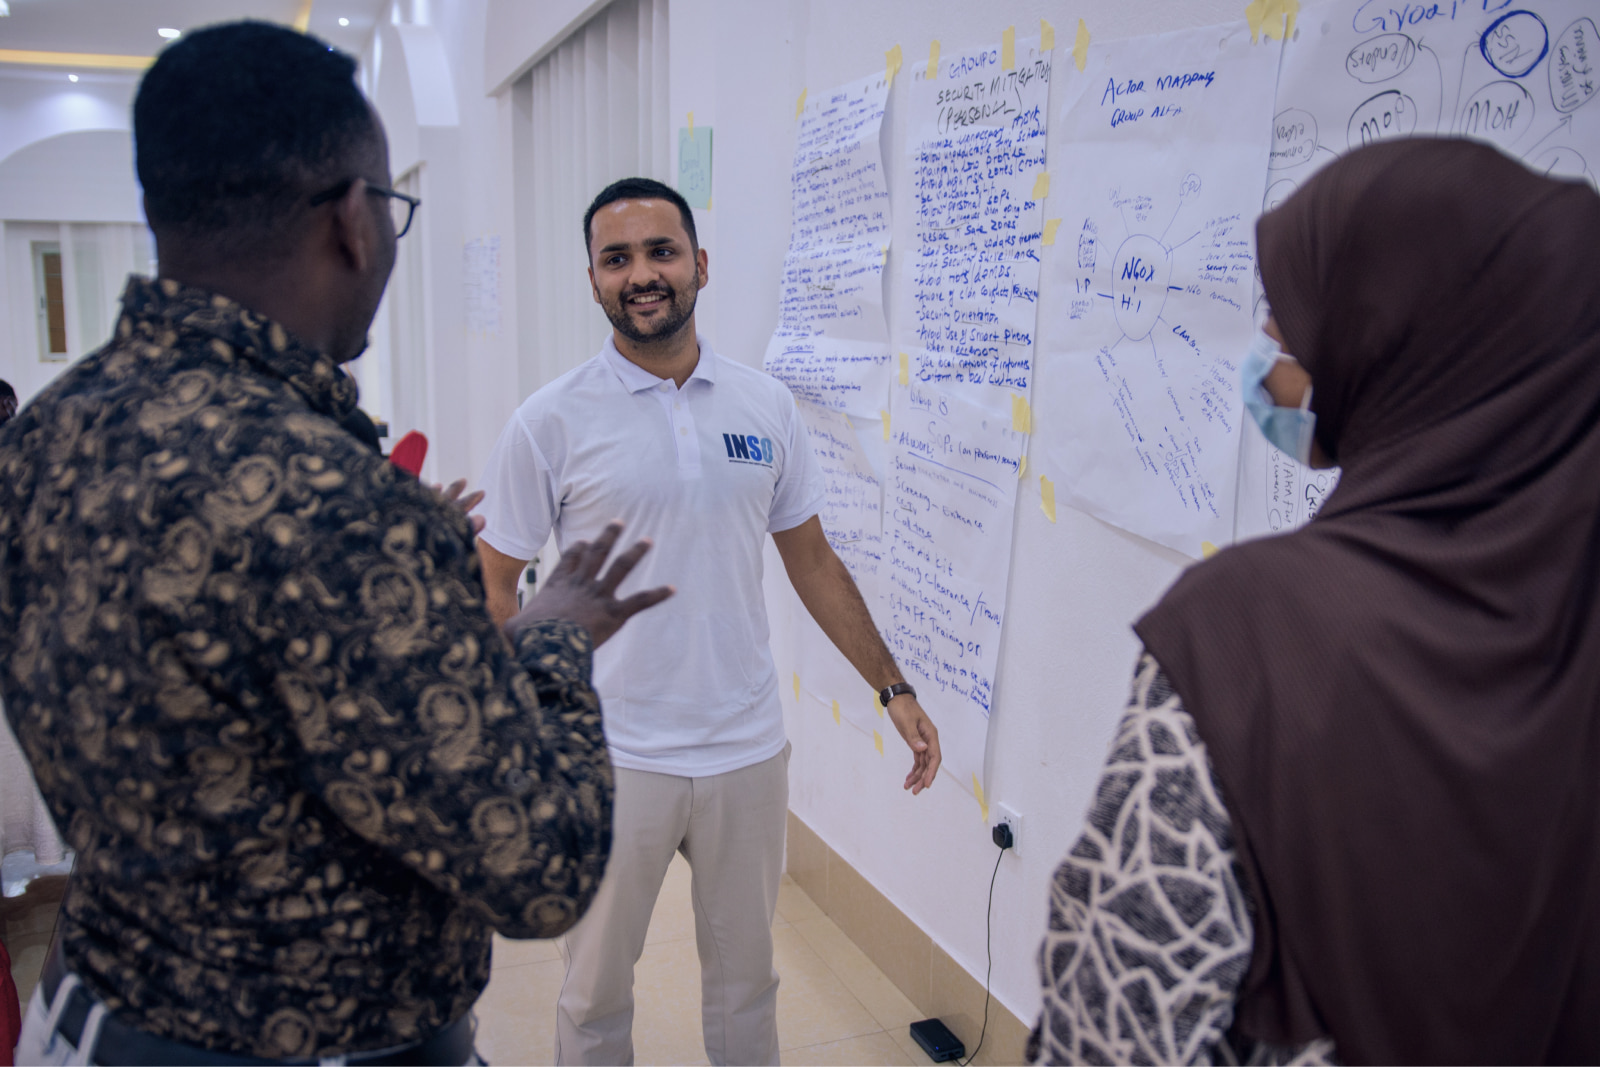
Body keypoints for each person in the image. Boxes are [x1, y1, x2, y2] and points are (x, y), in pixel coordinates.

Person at [0, 22, 671, 1065]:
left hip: (92, 1017)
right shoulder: (342, 509)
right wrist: (549, 634)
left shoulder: (44, 434)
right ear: (355, 220)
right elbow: (535, 866)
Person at [1030, 139, 1600, 1065]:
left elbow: (1120, 1015)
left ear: (1394, 341)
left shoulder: (1247, 636)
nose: (1269, 359)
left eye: (1291, 326)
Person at [476, 176, 943, 1065]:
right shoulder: (549, 422)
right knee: (594, 995)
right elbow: (495, 582)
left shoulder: (765, 407)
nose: (643, 274)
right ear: (593, 280)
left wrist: (893, 684)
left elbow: (812, 561)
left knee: (746, 986)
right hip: (612, 758)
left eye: (662, 251)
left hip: (745, 748)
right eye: (618, 258)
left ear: (700, 264)